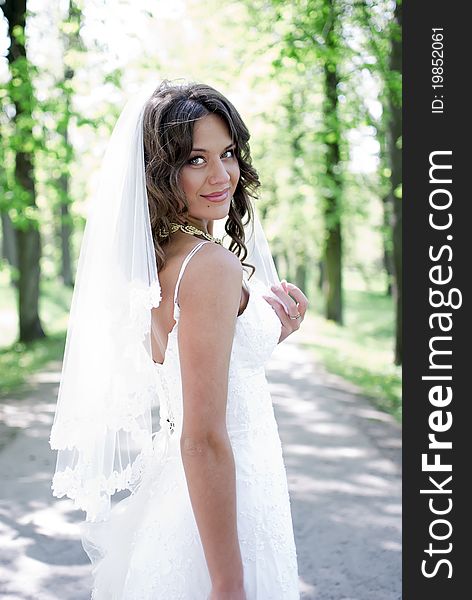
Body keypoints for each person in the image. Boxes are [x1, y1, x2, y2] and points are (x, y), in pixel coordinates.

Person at [50, 80, 308, 600]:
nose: (222, 175)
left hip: (184, 503)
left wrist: (268, 332)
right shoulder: (210, 265)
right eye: (196, 159)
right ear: (161, 173)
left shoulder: (160, 261)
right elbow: (203, 437)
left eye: (229, 153)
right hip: (224, 511)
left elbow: (190, 369)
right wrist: (228, 582)